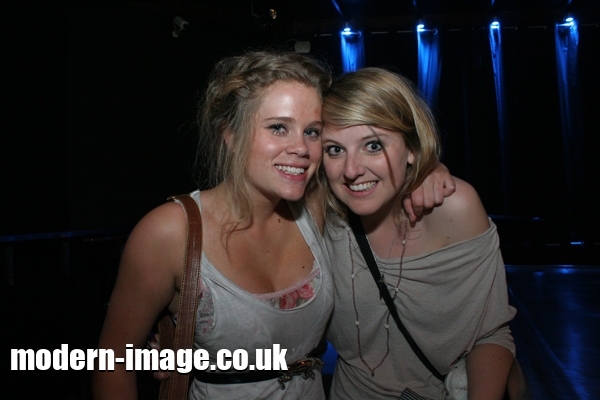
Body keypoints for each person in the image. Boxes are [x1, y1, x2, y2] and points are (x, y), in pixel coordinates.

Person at [93, 50, 453, 400]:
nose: (302, 148)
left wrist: (426, 170)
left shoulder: (315, 204)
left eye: (312, 132)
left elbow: (378, 167)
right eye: (279, 128)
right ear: (230, 136)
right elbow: (112, 363)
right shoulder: (171, 233)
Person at [320, 67, 517, 400]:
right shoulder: (320, 216)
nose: (351, 170)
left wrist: (429, 166)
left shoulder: (452, 209)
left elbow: (491, 333)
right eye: (335, 150)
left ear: (411, 147)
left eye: (373, 146)